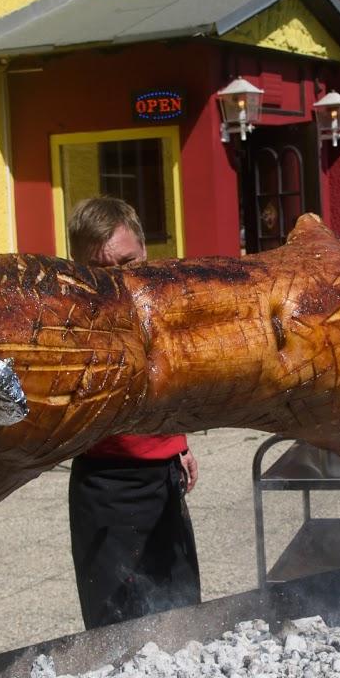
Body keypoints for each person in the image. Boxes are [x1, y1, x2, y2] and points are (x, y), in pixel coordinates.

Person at [66, 195, 201, 629]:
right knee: (116, 629)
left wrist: (179, 444)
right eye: (100, 269)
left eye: (128, 262)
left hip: (166, 477)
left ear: (144, 250)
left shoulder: (163, 305)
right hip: (106, 486)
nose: (117, 278)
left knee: (183, 613)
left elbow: (170, 382)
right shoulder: (70, 321)